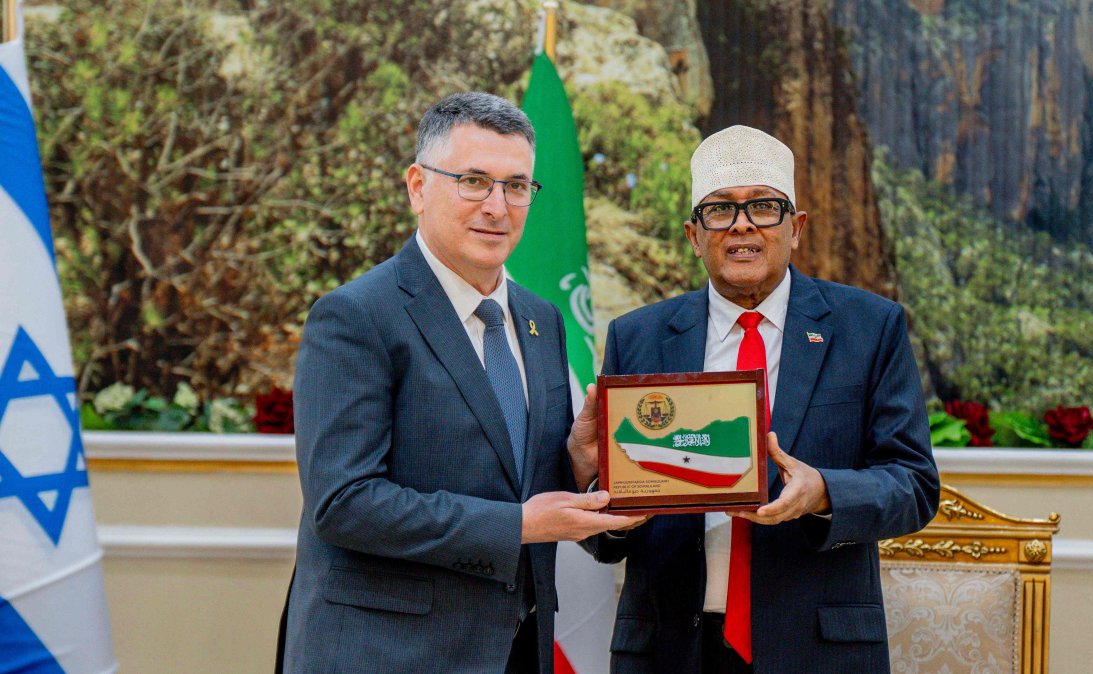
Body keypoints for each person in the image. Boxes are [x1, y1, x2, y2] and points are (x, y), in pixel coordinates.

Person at [281, 92, 641, 674]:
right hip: (386, 654)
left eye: (516, 185)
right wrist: (520, 526)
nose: (497, 207)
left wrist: (576, 463)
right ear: (418, 187)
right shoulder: (356, 317)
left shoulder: (541, 319)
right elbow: (343, 503)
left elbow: (513, 480)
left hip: (518, 648)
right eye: (474, 181)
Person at [585, 125, 940, 673]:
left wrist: (822, 492)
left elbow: (915, 486)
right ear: (693, 235)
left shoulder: (869, 327)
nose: (743, 224)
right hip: (669, 649)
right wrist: (604, 499)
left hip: (817, 649)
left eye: (764, 207)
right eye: (720, 211)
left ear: (796, 227)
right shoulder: (639, 337)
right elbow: (606, 535)